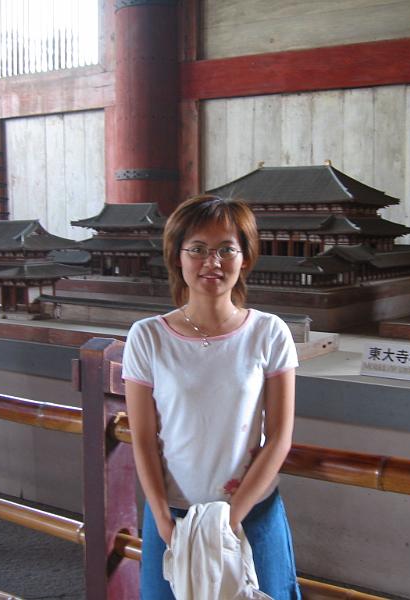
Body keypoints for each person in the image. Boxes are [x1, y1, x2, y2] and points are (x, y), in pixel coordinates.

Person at [122, 194, 301, 599]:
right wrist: (163, 521)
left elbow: (279, 437)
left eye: (226, 249)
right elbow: (144, 439)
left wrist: (230, 520)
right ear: (177, 256)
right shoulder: (147, 337)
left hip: (252, 511)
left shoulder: (269, 332)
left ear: (245, 257)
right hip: (173, 514)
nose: (212, 262)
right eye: (198, 249)